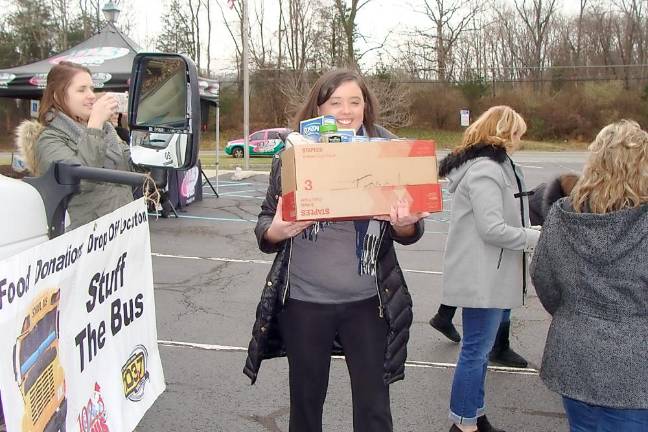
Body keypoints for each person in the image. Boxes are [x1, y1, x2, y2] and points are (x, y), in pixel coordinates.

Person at [243, 69, 428, 432]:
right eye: (336, 102)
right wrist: (277, 231)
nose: (346, 111)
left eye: (355, 102)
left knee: (375, 408)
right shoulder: (293, 154)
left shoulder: (387, 153)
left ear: (366, 107)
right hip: (304, 302)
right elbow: (266, 223)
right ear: (318, 107)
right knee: (306, 405)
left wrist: (404, 220)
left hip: (367, 303)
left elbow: (410, 231)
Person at [531, 119, 648, 432]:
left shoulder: (561, 214)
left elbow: (544, 280)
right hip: (635, 367)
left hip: (576, 354)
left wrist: (577, 315)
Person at [439, 106, 540, 432]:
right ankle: (463, 423)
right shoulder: (487, 170)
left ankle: (474, 415)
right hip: (484, 276)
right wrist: (534, 237)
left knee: (478, 352)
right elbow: (492, 228)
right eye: (517, 134)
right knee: (475, 352)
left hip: (488, 273)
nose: (519, 141)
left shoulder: (489, 167)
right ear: (504, 133)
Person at [429, 173, 580, 368]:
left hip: (513, 227)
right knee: (500, 292)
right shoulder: (487, 171)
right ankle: (498, 346)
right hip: (518, 229)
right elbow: (493, 230)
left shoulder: (492, 171)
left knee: (489, 284)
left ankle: (445, 317)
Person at [15, 61, 133, 230]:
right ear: (57, 96)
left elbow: (130, 167)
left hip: (122, 231)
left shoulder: (106, 130)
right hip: (88, 240)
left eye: (91, 88)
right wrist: (95, 126)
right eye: (81, 89)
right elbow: (82, 181)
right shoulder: (49, 139)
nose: (92, 95)